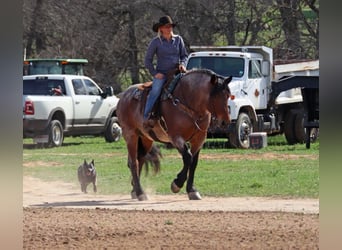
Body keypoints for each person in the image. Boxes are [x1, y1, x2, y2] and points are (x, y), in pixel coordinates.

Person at [143, 15, 188, 127]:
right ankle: (146, 116)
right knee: (155, 91)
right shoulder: (156, 42)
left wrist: (182, 64)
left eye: (170, 26)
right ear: (161, 29)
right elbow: (147, 60)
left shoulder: (178, 40)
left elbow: (184, 55)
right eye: (166, 26)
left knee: (190, 88)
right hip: (162, 74)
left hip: (177, 73)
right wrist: (154, 73)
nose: (169, 29)